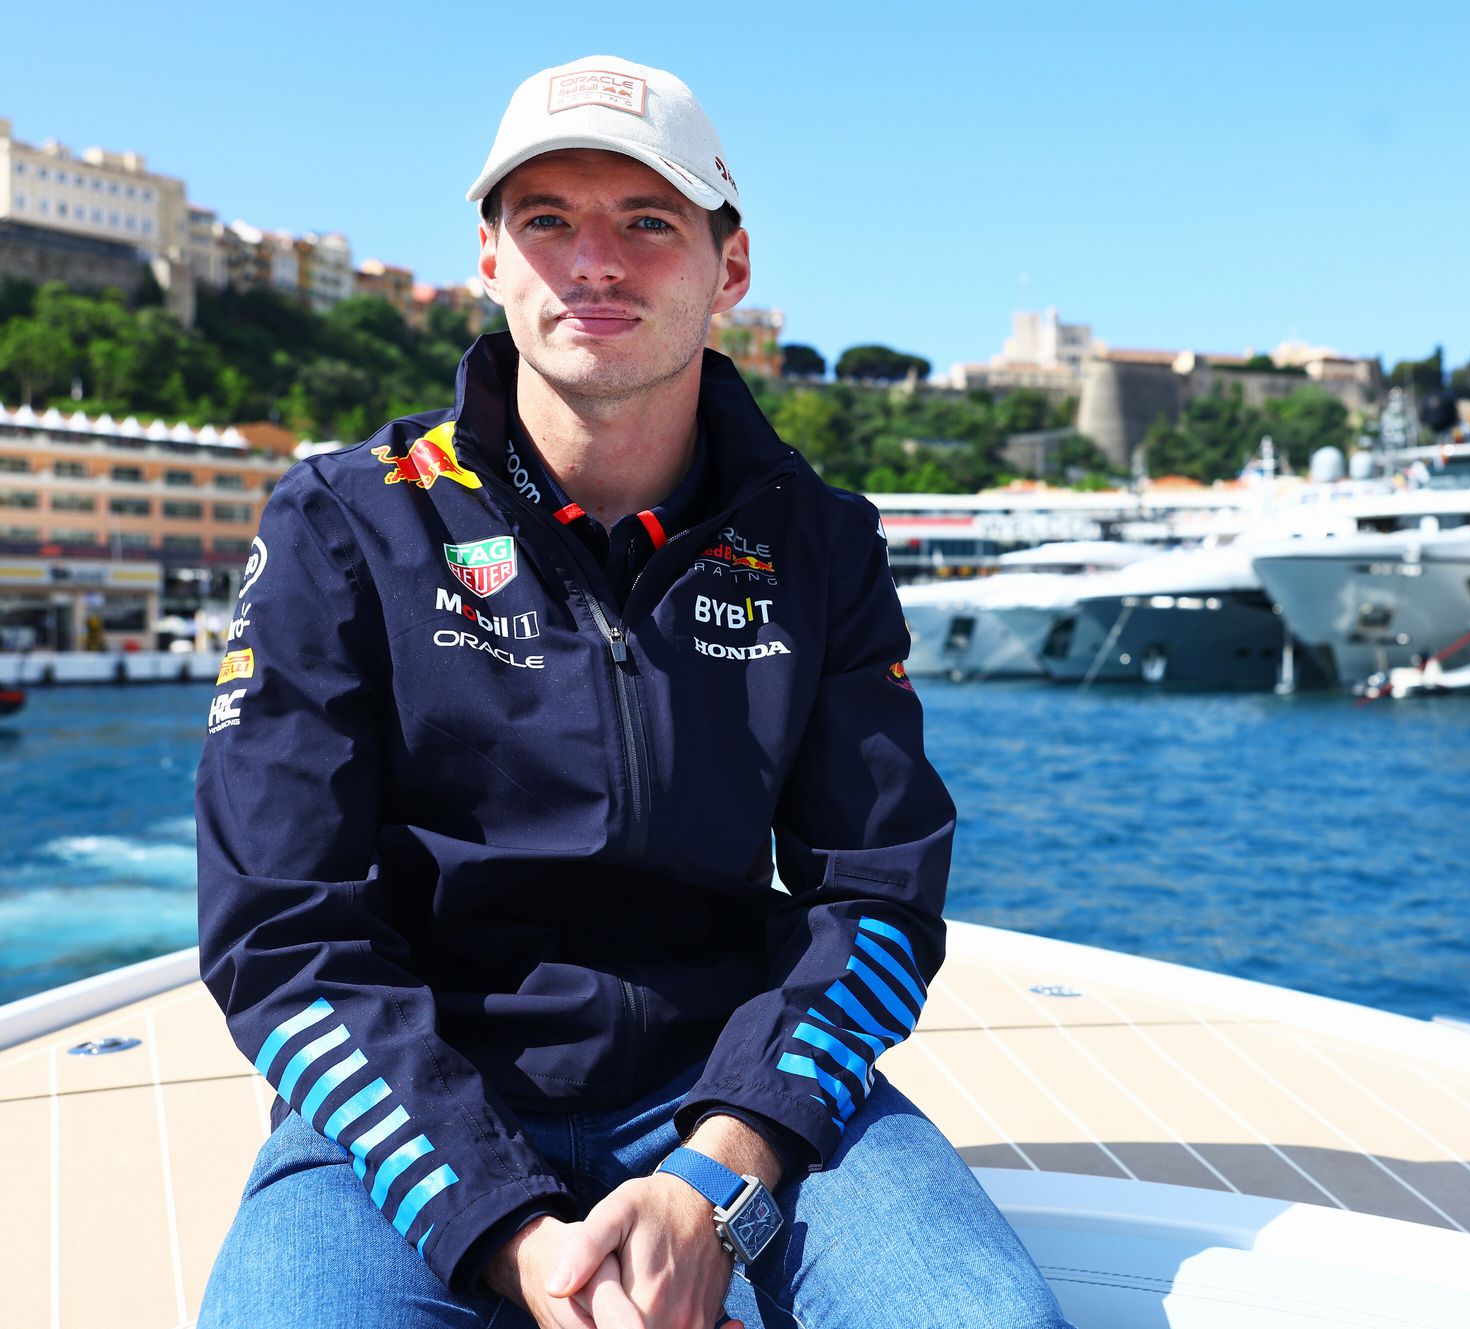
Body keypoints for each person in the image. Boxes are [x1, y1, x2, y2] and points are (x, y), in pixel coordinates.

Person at [195, 54, 1073, 1329]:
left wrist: (722, 1170)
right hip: (414, 1095)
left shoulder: (820, 543)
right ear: (490, 259)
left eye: (648, 222)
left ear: (731, 266)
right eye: (546, 220)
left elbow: (878, 896)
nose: (594, 263)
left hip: (733, 1085)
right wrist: (498, 1225)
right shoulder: (345, 522)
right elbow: (280, 932)